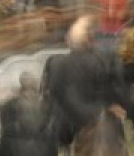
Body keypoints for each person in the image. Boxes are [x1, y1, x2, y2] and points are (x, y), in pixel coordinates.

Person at [40, 15, 118, 145]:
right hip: (90, 124)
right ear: (90, 40)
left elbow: (49, 94)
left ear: (68, 41)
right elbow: (105, 94)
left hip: (64, 125)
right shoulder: (99, 62)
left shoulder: (54, 62)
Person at [0, 72, 57, 156]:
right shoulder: (48, 106)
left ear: (20, 89)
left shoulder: (9, 106)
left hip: (17, 150)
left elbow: (5, 133)